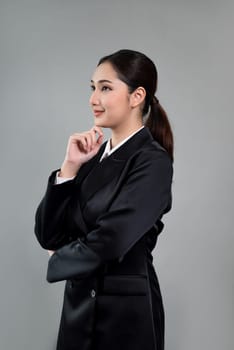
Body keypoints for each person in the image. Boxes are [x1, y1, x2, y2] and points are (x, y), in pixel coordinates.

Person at [34, 49, 174, 350]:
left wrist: (59, 259)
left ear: (137, 96)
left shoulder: (152, 162)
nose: (93, 98)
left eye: (106, 88)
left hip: (125, 316)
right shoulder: (92, 158)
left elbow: (113, 238)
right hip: (78, 310)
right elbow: (49, 234)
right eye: (93, 88)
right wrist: (70, 167)